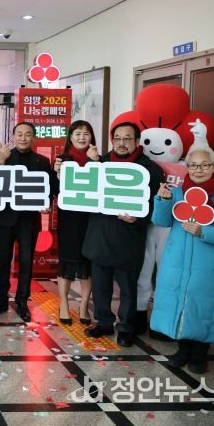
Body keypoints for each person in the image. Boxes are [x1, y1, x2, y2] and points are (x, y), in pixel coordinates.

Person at [150, 145, 214, 373]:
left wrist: (205, 231)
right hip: (176, 262)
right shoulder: (177, 193)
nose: (198, 169)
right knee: (179, 304)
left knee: (203, 307)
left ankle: (200, 353)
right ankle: (183, 350)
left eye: (204, 165)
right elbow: (161, 221)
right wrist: (162, 201)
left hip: (209, 266)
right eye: (193, 165)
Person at [83, 122, 163, 347]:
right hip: (100, 234)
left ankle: (127, 327)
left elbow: (158, 203)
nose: (121, 143)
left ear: (137, 141)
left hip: (129, 237)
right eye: (117, 138)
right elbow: (84, 189)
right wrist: (90, 164)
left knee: (128, 287)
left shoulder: (149, 169)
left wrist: (139, 218)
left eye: (127, 138)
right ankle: (103, 322)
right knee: (101, 285)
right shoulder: (101, 163)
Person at [0, 122, 56, 322]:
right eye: (19, 134)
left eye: (27, 134)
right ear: (13, 137)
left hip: (28, 219)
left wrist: (47, 203)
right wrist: (0, 162)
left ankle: (22, 301)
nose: (23, 138)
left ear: (33, 138)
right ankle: (0, 299)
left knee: (26, 261)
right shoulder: (4, 157)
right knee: (3, 260)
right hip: (5, 217)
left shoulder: (42, 161)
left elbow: (49, 187)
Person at [52, 120, 100, 325]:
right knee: (67, 261)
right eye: (78, 133)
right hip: (69, 219)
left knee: (87, 263)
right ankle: (64, 304)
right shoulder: (62, 160)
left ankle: (83, 305)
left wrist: (94, 163)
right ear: (70, 137)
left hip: (92, 219)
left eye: (86, 133)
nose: (82, 137)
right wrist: (56, 174)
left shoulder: (99, 160)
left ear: (92, 137)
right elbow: (55, 190)